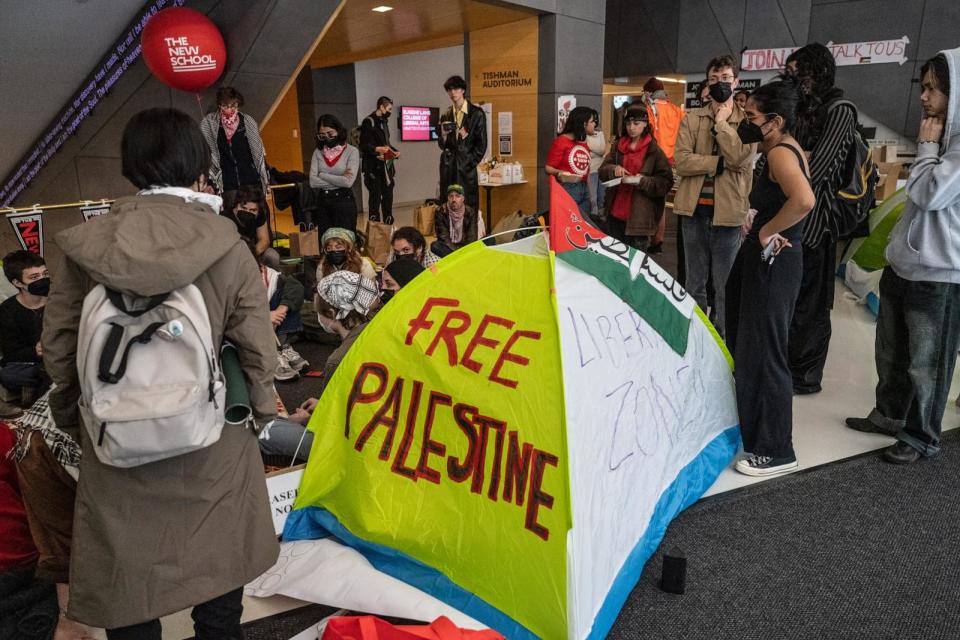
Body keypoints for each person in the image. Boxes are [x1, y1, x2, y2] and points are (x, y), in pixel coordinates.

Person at [42, 107, 279, 638]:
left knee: (128, 578)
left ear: (130, 166)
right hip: (211, 430)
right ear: (198, 165)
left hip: (114, 434)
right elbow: (257, 346)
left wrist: (71, 414)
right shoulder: (225, 243)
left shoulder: (86, 247)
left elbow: (58, 350)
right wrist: (261, 410)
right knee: (219, 559)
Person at [846, 49, 960, 464]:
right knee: (891, 350)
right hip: (905, 265)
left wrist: (928, 146)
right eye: (924, 87)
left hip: (941, 273)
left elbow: (930, 195)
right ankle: (890, 415)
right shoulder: (943, 141)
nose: (924, 97)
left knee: (927, 363)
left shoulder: (952, 146)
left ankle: (921, 436)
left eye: (933, 89)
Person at [725, 77, 815, 476]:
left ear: (775, 120)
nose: (745, 121)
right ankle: (760, 435)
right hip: (768, 261)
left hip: (773, 263)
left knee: (767, 353)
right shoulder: (781, 147)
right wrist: (758, 217)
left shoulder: (780, 152)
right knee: (756, 348)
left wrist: (767, 231)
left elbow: (804, 200)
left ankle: (777, 449)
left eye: (751, 116)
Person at [783, 43, 861, 395]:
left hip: (819, 223)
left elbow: (820, 168)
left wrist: (793, 161)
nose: (798, 81)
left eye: (802, 74)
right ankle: (789, 366)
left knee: (812, 304)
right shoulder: (803, 108)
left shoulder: (840, 109)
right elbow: (784, 154)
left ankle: (806, 374)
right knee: (792, 298)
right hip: (793, 216)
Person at [674, 54, 758, 338]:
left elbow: (740, 158)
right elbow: (682, 161)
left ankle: (722, 341)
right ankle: (697, 337)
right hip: (694, 212)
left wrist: (722, 124)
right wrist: (716, 164)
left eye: (725, 79)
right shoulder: (691, 118)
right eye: (713, 80)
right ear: (706, 87)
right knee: (694, 282)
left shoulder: (748, 121)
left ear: (736, 82)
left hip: (728, 215)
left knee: (724, 286)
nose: (719, 85)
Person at [259, 271, 378, 464]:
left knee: (265, 430)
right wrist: (325, 404)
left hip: (350, 450)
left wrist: (309, 419)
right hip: (380, 437)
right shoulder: (379, 334)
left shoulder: (338, 360)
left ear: (331, 314)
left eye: (318, 313)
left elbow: (336, 425)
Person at [598, 105, 673, 250]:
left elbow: (666, 182)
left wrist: (642, 181)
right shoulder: (618, 146)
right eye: (628, 123)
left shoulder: (654, 150)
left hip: (640, 218)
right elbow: (602, 170)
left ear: (645, 124)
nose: (631, 127)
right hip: (614, 213)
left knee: (635, 266)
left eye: (636, 123)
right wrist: (614, 169)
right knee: (614, 263)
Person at [244, 240, 307, 382]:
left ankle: (282, 347)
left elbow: (295, 287)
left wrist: (281, 310)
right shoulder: (225, 278)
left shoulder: (264, 271)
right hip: (244, 330)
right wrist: (264, 317)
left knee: (288, 291)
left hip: (269, 323)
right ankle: (270, 355)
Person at [199, 86, 270, 196]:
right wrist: (209, 182)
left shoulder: (248, 121)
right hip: (225, 183)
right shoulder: (209, 123)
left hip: (251, 182)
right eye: (225, 106)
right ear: (219, 105)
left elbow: (258, 152)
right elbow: (204, 154)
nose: (229, 109)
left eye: (233, 105)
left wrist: (265, 177)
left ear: (238, 104)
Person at [642, 78, 685, 254]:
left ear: (648, 92)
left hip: (653, 161)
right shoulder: (676, 110)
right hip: (672, 161)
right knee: (661, 201)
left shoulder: (649, 110)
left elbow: (647, 135)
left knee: (647, 201)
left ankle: (649, 238)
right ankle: (658, 241)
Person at [0, 251, 50, 406]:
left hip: (62, 357)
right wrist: (35, 351)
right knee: (8, 374)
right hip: (31, 363)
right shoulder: (7, 311)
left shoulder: (59, 300)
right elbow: (11, 353)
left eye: (45, 274)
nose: (42, 280)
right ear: (18, 283)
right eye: (34, 277)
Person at [437, 75, 487, 211]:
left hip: (465, 168)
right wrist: (443, 135)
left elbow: (481, 145)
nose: (453, 93)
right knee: (447, 206)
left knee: (467, 207)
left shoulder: (476, 114)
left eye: (456, 89)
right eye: (449, 90)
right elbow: (442, 145)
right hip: (448, 167)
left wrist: (468, 162)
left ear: (463, 90)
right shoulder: (446, 114)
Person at [310, 114, 360, 236]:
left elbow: (348, 182)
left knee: (346, 240)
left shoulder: (351, 151)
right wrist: (339, 178)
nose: (327, 137)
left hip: (344, 201)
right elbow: (312, 181)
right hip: (323, 202)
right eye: (322, 135)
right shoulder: (318, 152)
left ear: (338, 130)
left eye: (330, 133)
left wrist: (322, 175)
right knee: (325, 241)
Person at [545, 106, 595, 215]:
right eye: (592, 122)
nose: (594, 124)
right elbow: (548, 167)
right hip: (568, 186)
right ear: (583, 124)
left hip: (584, 187)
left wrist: (590, 194)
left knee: (583, 223)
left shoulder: (582, 141)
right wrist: (560, 173)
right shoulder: (561, 141)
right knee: (568, 222)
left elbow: (586, 170)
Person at [359, 96, 400, 224]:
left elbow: (386, 143)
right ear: (381, 107)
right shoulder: (368, 121)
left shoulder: (384, 123)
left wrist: (394, 151)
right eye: (389, 109)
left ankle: (388, 221)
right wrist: (377, 149)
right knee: (375, 197)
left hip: (386, 166)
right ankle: (375, 226)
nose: (390, 112)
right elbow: (364, 145)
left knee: (388, 194)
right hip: (373, 168)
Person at [222, 187, 280, 267]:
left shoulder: (260, 215)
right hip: (232, 255)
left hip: (253, 252)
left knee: (272, 256)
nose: (247, 212)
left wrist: (252, 254)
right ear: (236, 206)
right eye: (244, 208)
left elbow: (264, 240)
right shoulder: (225, 217)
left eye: (253, 210)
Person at [432, 184, 480, 257]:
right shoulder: (440, 211)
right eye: (451, 196)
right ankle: (460, 258)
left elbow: (472, 236)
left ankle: (456, 258)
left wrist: (465, 250)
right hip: (449, 247)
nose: (454, 200)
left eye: (457, 196)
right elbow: (443, 236)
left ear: (463, 198)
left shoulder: (470, 212)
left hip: (464, 246)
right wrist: (456, 252)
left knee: (489, 240)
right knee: (435, 246)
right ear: (448, 198)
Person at [585, 108, 608, 219]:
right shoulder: (583, 135)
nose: (594, 123)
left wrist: (590, 147)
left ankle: (600, 219)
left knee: (601, 196)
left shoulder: (600, 133)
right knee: (592, 197)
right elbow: (587, 152)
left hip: (601, 168)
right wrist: (596, 150)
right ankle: (593, 218)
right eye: (592, 121)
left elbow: (602, 150)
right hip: (590, 170)